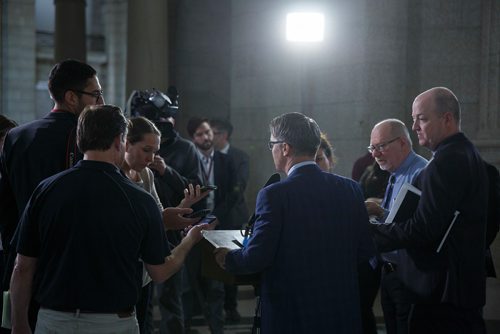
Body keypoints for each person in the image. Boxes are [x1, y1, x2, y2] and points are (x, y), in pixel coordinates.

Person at [10, 105, 209, 334]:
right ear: (119, 141)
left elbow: (22, 268)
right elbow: (160, 271)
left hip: (53, 319)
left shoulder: (45, 190)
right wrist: (190, 240)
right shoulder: (139, 199)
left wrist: (19, 323)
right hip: (112, 322)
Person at [214, 112, 376, 333]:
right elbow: (365, 250)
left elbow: (257, 257)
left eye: (272, 143)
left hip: (293, 316)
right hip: (341, 313)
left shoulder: (275, 194)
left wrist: (227, 258)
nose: (271, 149)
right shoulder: (350, 189)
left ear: (285, 148)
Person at [371, 87, 489, 334]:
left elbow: (424, 228)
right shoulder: (468, 153)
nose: (414, 127)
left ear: (447, 119)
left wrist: (370, 235)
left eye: (421, 119)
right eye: (413, 119)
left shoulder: (445, 162)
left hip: (442, 292)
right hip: (460, 284)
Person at [0, 59, 105, 330]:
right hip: (67, 269)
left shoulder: (16, 136)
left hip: (20, 260)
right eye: (96, 94)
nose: (101, 102)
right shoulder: (87, 141)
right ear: (72, 97)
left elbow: (8, 207)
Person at [122, 116, 209, 333]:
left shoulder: (146, 173)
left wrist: (184, 205)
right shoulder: (115, 175)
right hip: (123, 268)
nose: (151, 158)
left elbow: (159, 217)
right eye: (146, 150)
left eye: (155, 152)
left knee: (144, 323)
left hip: (144, 272)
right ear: (126, 143)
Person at [365, 119, 428, 334]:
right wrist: (378, 212)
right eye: (372, 148)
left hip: (409, 275)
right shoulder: (395, 174)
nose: (375, 154)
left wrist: (377, 214)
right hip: (389, 272)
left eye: (381, 146)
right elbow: (395, 220)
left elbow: (418, 228)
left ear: (402, 142)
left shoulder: (421, 173)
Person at [183, 117, 238, 334]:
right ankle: (184, 328)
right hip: (191, 229)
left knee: (216, 286)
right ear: (192, 138)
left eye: (208, 132)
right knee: (187, 287)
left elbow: (233, 195)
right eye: (199, 134)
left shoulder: (226, 161)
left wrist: (215, 219)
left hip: (218, 229)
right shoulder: (188, 161)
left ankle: (218, 330)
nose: (206, 137)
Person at [210, 118, 249, 323]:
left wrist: (219, 213)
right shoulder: (207, 156)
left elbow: (238, 187)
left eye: (214, 132)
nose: (210, 136)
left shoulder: (239, 156)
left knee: (230, 262)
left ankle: (231, 307)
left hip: (231, 218)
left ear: (224, 135)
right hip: (211, 218)